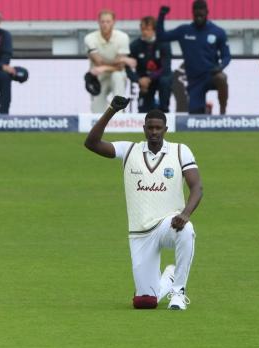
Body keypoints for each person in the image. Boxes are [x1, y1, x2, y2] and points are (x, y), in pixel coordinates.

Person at [84, 97, 202, 310]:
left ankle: (178, 292)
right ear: (144, 129)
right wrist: (111, 111)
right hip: (140, 232)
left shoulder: (179, 150)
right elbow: (91, 143)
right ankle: (169, 277)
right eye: (150, 128)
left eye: (158, 128)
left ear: (166, 129)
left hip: (169, 223)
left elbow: (197, 188)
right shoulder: (129, 150)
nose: (154, 132)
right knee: (145, 303)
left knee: (187, 230)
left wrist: (185, 214)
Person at [158, 1, 230, 114]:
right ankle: (205, 109)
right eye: (196, 14)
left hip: (211, 75)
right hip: (195, 80)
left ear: (207, 12)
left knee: (221, 78)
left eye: (201, 14)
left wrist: (220, 67)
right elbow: (161, 37)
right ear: (192, 13)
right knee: (195, 115)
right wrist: (161, 16)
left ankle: (223, 112)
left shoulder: (218, 32)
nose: (199, 17)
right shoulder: (184, 31)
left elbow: (227, 56)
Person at [84, 9, 134, 112]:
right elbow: (99, 62)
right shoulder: (90, 38)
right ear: (98, 22)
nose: (105, 24)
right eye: (102, 22)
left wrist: (104, 67)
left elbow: (119, 68)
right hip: (99, 78)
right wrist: (122, 59)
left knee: (118, 76)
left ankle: (119, 115)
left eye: (108, 21)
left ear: (113, 22)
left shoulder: (123, 37)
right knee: (97, 111)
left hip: (115, 74)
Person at [129, 16, 172, 112]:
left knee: (165, 81)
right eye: (143, 29)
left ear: (154, 30)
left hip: (159, 78)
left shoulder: (163, 43)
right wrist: (138, 80)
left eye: (148, 29)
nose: (145, 32)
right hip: (144, 81)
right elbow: (128, 68)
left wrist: (150, 78)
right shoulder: (135, 46)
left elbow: (166, 66)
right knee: (143, 110)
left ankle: (164, 109)